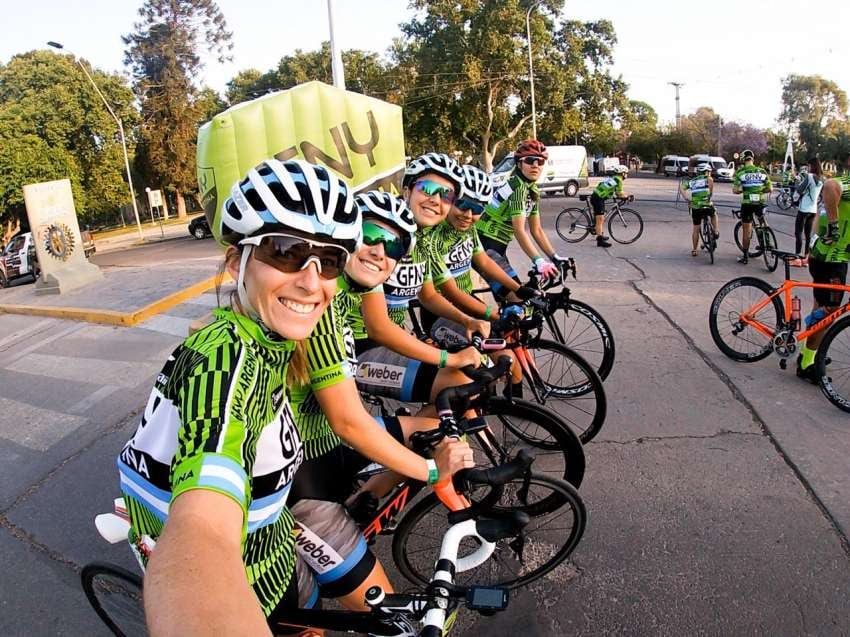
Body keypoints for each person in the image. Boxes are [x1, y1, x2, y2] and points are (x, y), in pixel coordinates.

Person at [117, 159, 472, 636]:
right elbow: (200, 526)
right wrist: (431, 470)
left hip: (278, 555)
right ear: (234, 262)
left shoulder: (273, 339)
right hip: (246, 587)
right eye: (285, 252)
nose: (310, 281)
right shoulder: (225, 361)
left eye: (327, 261)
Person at [288, 189, 475, 616]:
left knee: (425, 429)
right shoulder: (318, 308)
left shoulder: (341, 296)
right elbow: (349, 423)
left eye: (394, 245)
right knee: (390, 621)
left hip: (322, 446)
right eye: (370, 234)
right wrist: (430, 471)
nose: (380, 250)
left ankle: (368, 499)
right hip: (298, 476)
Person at [354, 152, 489, 406]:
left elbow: (427, 295)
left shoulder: (423, 239)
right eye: (427, 188)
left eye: (446, 195)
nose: (435, 200)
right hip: (357, 351)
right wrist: (448, 359)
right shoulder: (384, 236)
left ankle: (428, 439)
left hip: (393, 339)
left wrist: (466, 319)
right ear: (407, 190)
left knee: (464, 391)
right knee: (458, 384)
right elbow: (378, 327)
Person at [476, 139, 571, 292]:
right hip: (484, 244)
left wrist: (554, 257)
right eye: (530, 160)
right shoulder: (518, 187)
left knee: (513, 299)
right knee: (516, 297)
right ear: (519, 164)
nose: (535, 165)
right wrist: (539, 261)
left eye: (540, 162)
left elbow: (537, 230)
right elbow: (520, 231)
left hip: (497, 246)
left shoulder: (532, 190)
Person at [796, 152, 850, 383]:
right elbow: (830, 184)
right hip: (830, 258)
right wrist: (835, 228)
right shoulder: (845, 183)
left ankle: (807, 349)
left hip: (829, 256)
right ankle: (807, 363)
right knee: (828, 311)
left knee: (822, 306)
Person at [732, 149, 772, 264]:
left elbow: (735, 190)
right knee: (762, 221)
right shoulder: (762, 172)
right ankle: (768, 242)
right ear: (753, 159)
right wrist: (759, 191)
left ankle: (745, 256)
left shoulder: (741, 173)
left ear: (743, 160)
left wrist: (743, 190)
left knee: (746, 230)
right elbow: (770, 188)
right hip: (760, 201)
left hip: (747, 204)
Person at [679, 162, 719, 257]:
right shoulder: (708, 179)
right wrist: (708, 198)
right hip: (706, 205)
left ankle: (694, 250)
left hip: (696, 207)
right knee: (714, 214)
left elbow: (681, 187)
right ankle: (716, 231)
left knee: (696, 228)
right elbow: (710, 193)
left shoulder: (692, 181)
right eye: (709, 171)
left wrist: (687, 198)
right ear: (706, 172)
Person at [791, 158, 825, 266]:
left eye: (809, 166)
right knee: (808, 234)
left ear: (812, 166)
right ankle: (806, 258)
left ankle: (797, 258)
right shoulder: (822, 179)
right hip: (813, 210)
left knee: (798, 233)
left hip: (804, 209)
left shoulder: (809, 177)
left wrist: (796, 180)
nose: (808, 168)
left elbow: (800, 189)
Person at [589, 166, 633, 248]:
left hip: (597, 197)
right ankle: (600, 240)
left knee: (600, 218)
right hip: (598, 198)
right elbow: (619, 193)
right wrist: (627, 197)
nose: (626, 175)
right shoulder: (618, 179)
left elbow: (604, 186)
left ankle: (599, 233)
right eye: (626, 173)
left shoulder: (613, 178)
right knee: (600, 219)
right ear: (622, 173)